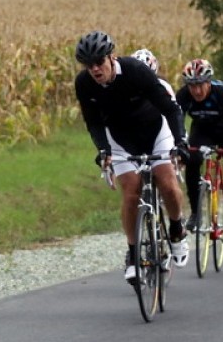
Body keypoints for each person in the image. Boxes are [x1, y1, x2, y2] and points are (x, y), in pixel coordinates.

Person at [74, 31, 190, 283]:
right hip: (121, 139)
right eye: (89, 65)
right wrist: (103, 150)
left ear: (112, 57)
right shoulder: (84, 83)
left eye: (99, 62)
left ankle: (177, 229)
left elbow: (170, 109)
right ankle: (133, 253)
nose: (94, 69)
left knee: (168, 183)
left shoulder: (136, 71)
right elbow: (93, 122)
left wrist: (180, 142)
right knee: (131, 191)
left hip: (155, 131)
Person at [175, 58, 223, 231]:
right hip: (202, 130)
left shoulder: (220, 92)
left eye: (200, 85)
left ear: (209, 82)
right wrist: (179, 145)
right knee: (191, 160)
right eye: (191, 85)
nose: (196, 90)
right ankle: (196, 212)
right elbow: (175, 119)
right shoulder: (183, 95)